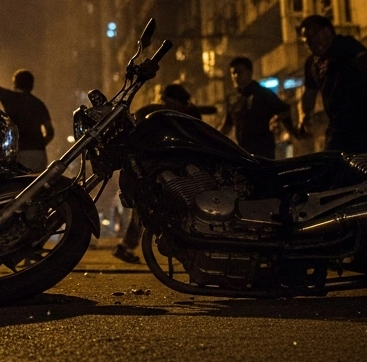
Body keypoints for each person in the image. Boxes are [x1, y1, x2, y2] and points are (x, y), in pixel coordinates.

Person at [115, 83, 216, 264]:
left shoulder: (163, 112)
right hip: (164, 171)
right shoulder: (161, 112)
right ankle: (128, 245)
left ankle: (127, 245)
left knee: (146, 207)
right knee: (145, 207)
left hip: (169, 171)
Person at [298, 15, 367, 155]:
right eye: (306, 40)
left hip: (366, 120)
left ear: (326, 31)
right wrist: (305, 117)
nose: (310, 43)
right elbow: (310, 92)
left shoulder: (344, 44)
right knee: (332, 161)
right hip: (338, 125)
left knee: (363, 162)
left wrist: (349, 64)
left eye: (312, 36)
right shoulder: (312, 63)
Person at [0, 44, 54, 173]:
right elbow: (50, 132)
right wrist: (38, 144)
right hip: (39, 154)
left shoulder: (8, 97)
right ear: (32, 85)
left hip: (18, 152)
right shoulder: (39, 104)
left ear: (15, 83)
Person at [219, 56, 297, 159]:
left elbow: (284, 109)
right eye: (233, 73)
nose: (236, 76)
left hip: (264, 151)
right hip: (244, 152)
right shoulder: (232, 99)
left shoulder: (263, 93)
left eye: (240, 72)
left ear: (249, 72)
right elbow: (227, 125)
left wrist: (277, 120)